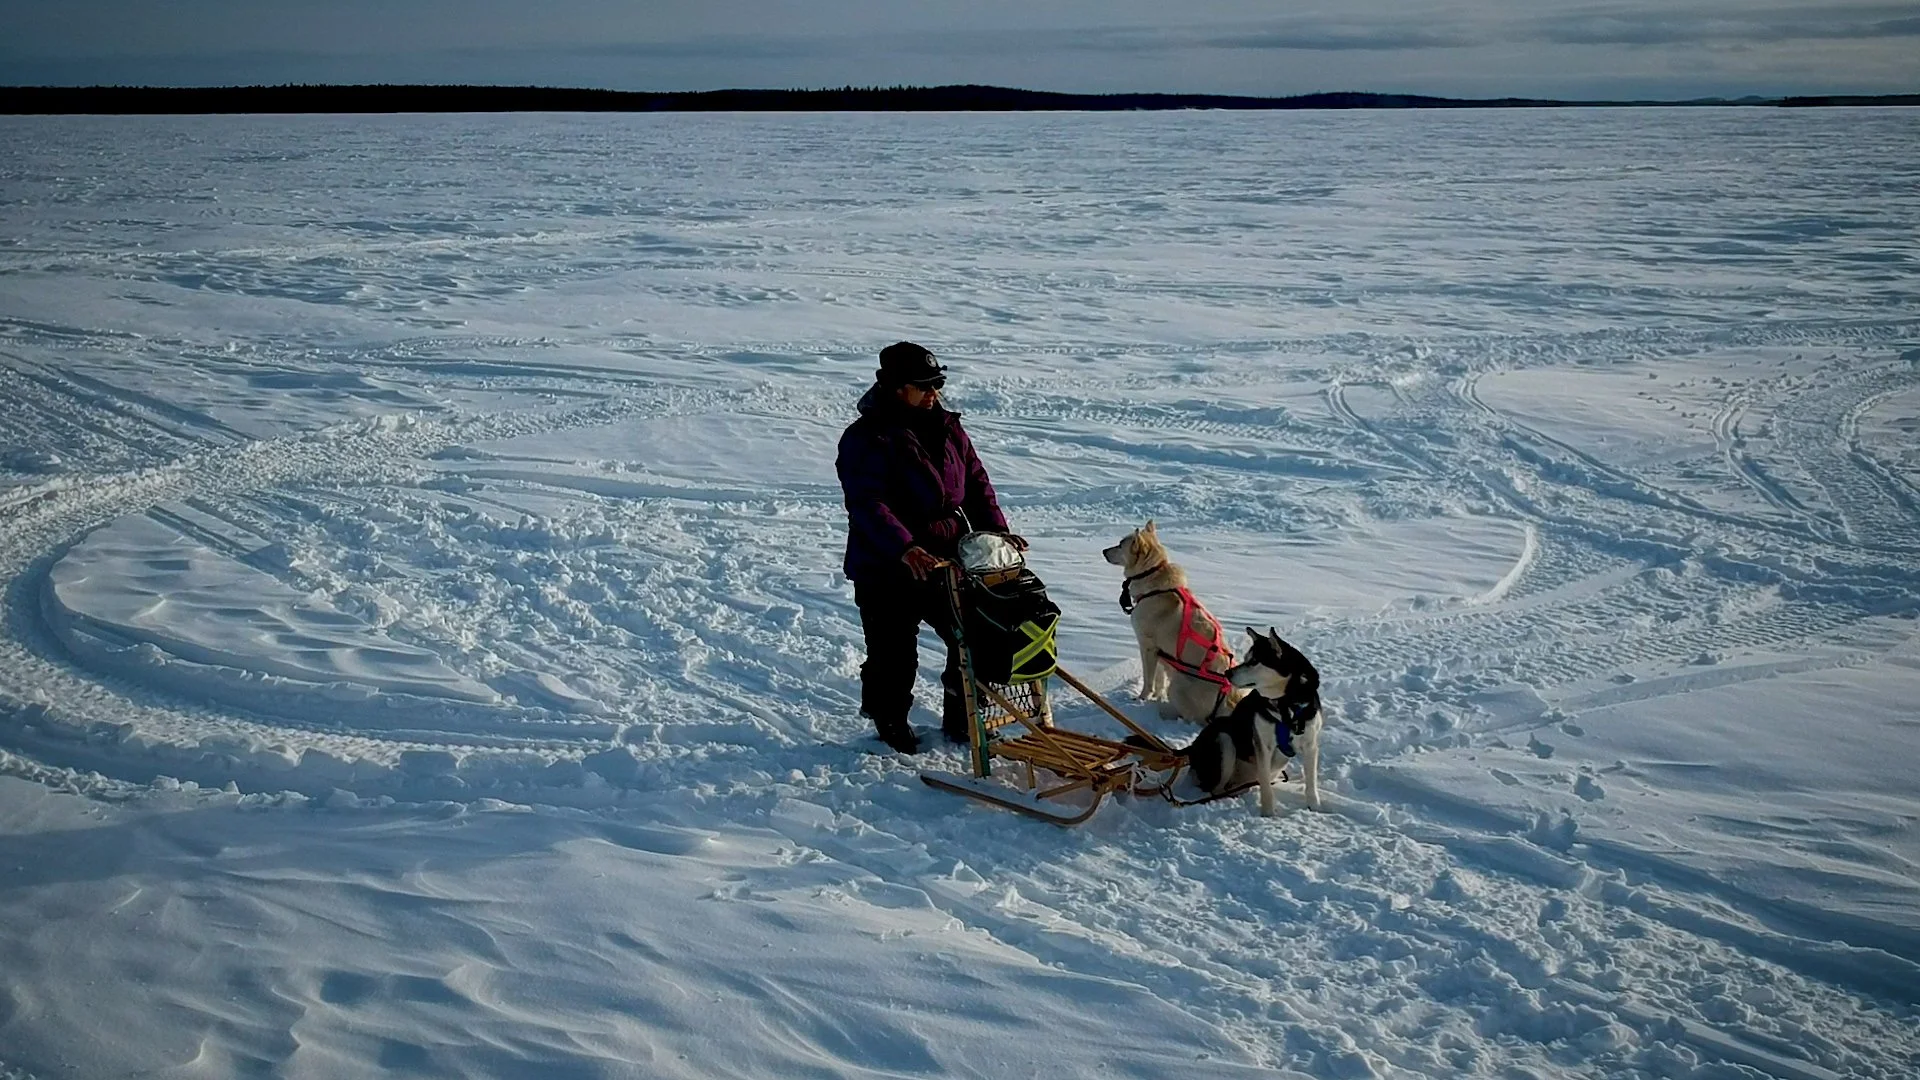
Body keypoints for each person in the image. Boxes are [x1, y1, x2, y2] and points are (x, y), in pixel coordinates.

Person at [836, 341, 1024, 753]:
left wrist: (996, 531)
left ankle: (963, 718)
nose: (933, 393)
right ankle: (890, 724)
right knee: (894, 652)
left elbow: (976, 482)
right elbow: (868, 503)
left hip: (947, 556)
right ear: (895, 386)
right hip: (885, 562)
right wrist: (905, 548)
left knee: (971, 636)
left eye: (936, 384)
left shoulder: (948, 427)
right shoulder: (866, 437)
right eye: (923, 386)